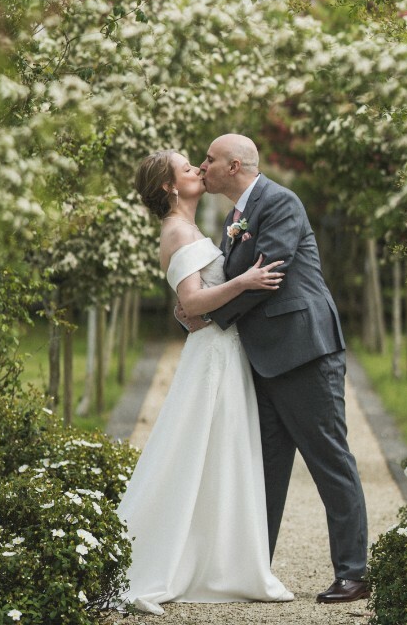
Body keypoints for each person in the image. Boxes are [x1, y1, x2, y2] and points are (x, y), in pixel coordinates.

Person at [178, 133, 369, 605]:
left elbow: (270, 275)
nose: (204, 167)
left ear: (236, 165)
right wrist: (195, 306)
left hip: (304, 352)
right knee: (265, 469)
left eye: (211, 159)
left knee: (329, 460)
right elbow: (233, 276)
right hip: (262, 358)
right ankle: (255, 570)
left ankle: (354, 572)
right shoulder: (234, 217)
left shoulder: (280, 202)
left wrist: (208, 316)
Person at [117, 149, 293, 615]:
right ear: (169, 187)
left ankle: (222, 562)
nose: (197, 168)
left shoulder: (194, 228)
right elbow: (192, 303)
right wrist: (246, 281)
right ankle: (160, 566)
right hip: (212, 357)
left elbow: (191, 305)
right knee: (194, 451)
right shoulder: (176, 230)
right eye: (187, 168)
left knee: (222, 453)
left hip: (224, 351)